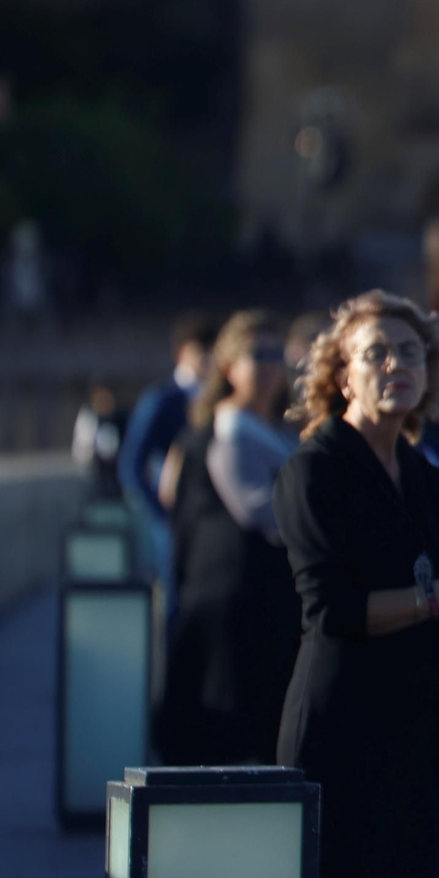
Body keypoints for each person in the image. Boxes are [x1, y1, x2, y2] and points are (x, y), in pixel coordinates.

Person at [273, 290, 439, 878]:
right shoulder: (315, 470)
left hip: (420, 735)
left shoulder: (423, 476)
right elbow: (334, 611)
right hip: (347, 733)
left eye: (410, 354)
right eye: (375, 353)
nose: (395, 366)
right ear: (343, 377)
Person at [158, 311, 301, 765]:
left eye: (276, 354)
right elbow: (259, 511)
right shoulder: (228, 430)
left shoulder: (278, 431)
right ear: (228, 367)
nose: (268, 365)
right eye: (256, 354)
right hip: (230, 611)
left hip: (266, 606)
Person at [118, 313, 218, 586]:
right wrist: (161, 517)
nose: (208, 358)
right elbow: (131, 465)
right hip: (175, 519)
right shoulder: (161, 399)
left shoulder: (221, 399)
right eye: (201, 351)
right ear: (181, 353)